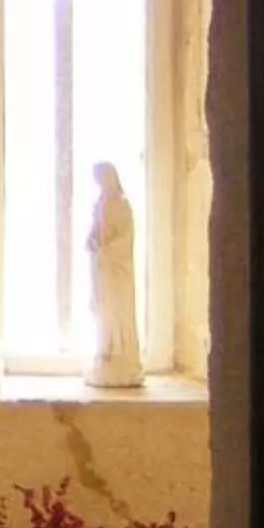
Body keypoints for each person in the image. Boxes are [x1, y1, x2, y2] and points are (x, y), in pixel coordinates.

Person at [87, 160, 145, 388]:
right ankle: (106, 351)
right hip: (102, 269)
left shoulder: (122, 205)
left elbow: (125, 238)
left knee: (118, 311)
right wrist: (92, 242)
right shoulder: (100, 204)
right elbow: (95, 232)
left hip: (117, 270)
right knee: (103, 310)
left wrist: (107, 250)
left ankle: (122, 354)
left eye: (102, 178)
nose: (100, 184)